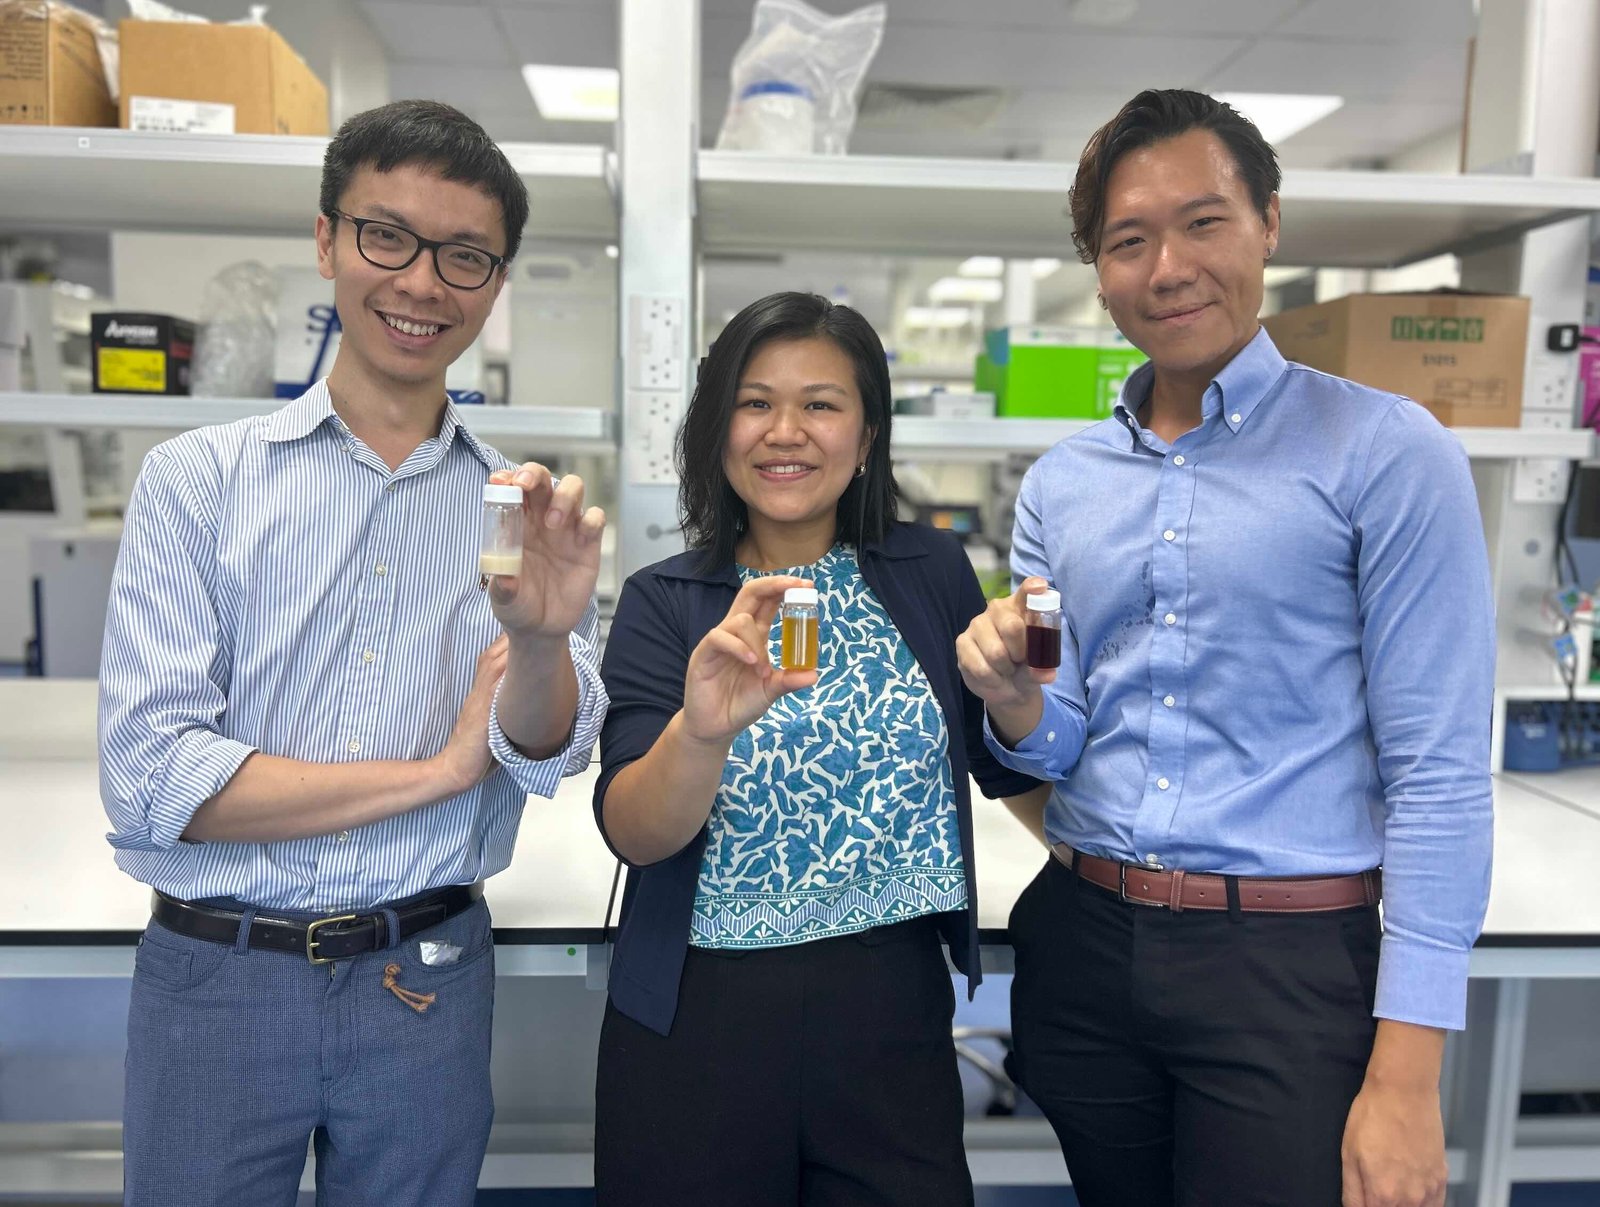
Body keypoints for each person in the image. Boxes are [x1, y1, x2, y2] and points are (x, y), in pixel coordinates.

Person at [957, 89, 1494, 1207]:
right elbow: (1062, 737)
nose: (1167, 267)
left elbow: (1439, 773)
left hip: (1286, 968)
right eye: (1127, 239)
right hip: (1084, 943)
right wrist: (1012, 700)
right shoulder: (1062, 484)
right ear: (1097, 269)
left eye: (1202, 222)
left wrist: (1408, 1070)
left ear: (1267, 224)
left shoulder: (1387, 455)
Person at [99, 100, 608, 1207]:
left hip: (422, 980)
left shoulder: (519, 507)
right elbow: (153, 782)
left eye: (465, 256)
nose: (423, 282)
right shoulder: (198, 481)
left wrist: (540, 641)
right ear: (327, 240)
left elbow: (549, 754)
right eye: (388, 237)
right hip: (218, 976)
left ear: (495, 280)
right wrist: (432, 776)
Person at [590, 291, 1048, 1206]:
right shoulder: (667, 601)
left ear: (868, 434)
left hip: (891, 1010)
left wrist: (1107, 865)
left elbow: (1003, 765)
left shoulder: (931, 570)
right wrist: (702, 731)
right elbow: (635, 831)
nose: (784, 431)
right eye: (755, 402)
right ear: (717, 429)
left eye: (821, 403)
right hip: (697, 1016)